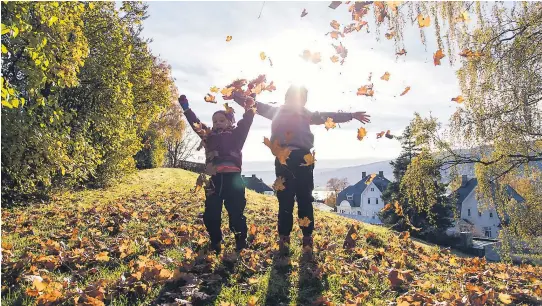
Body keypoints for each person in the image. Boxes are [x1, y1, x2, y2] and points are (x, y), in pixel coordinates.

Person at [232, 85, 371, 255]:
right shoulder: (275, 111)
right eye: (295, 98)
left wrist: (350, 115)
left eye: (301, 99)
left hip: (304, 159)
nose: (298, 102)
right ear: (286, 98)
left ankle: (307, 239)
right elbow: (252, 104)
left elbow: (329, 116)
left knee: (305, 198)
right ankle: (284, 238)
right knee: (285, 200)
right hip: (284, 159)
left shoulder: (307, 114)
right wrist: (234, 95)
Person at [179, 94, 255, 254]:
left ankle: (241, 242)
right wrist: (186, 109)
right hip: (213, 180)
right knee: (211, 214)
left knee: (236, 214)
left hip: (233, 181)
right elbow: (195, 124)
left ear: (230, 122)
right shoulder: (209, 136)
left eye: (221, 120)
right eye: (214, 121)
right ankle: (215, 241)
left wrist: (250, 108)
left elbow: (246, 123)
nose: (217, 123)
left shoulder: (236, 135)